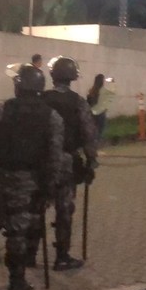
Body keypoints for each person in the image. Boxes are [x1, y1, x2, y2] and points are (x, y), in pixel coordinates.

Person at [0, 64, 66, 290]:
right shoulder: (51, 116)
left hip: (0, 178)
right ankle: (17, 280)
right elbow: (54, 156)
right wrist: (50, 187)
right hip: (31, 182)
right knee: (20, 231)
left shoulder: (2, 110)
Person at [43, 56, 99, 271]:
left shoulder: (42, 98)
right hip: (67, 163)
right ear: (72, 78)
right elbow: (88, 134)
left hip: (42, 162)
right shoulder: (78, 102)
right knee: (64, 209)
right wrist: (92, 160)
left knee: (35, 206)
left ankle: (27, 254)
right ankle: (62, 256)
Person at [87, 74, 114, 140]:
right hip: (101, 114)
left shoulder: (91, 91)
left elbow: (88, 103)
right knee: (99, 132)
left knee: (93, 132)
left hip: (92, 114)